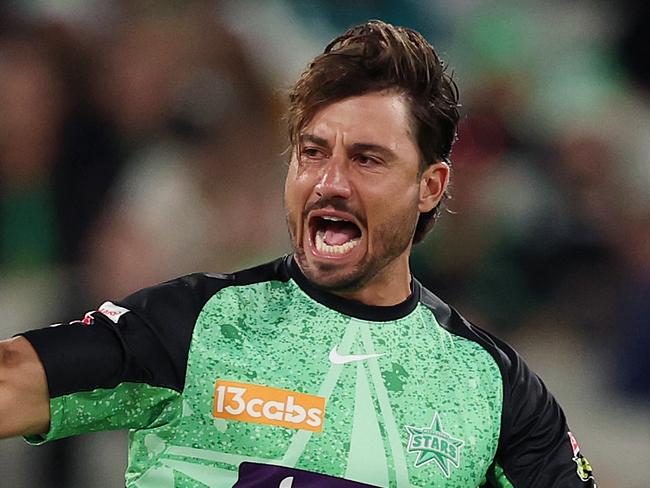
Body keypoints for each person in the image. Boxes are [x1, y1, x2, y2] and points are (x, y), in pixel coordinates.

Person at [0, 20, 596, 488]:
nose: (328, 182)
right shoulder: (198, 325)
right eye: (312, 152)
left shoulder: (491, 386)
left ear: (430, 187)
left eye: (366, 158)